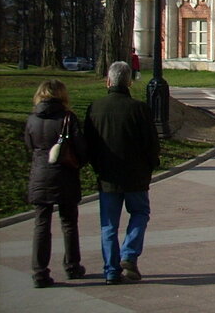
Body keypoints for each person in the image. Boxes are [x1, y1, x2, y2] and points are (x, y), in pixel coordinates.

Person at [84, 61, 160, 284]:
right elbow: (151, 143)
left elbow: (89, 143)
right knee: (140, 214)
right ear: (129, 82)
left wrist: (96, 165)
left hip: (107, 175)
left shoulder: (95, 107)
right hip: (135, 174)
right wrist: (150, 164)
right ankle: (129, 254)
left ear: (108, 81)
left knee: (109, 224)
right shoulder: (139, 109)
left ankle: (111, 270)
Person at [24, 78, 88, 288]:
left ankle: (39, 272)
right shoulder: (67, 118)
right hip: (64, 174)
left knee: (41, 224)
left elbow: (29, 144)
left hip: (40, 173)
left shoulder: (32, 119)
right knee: (68, 222)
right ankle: (72, 266)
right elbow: (80, 147)